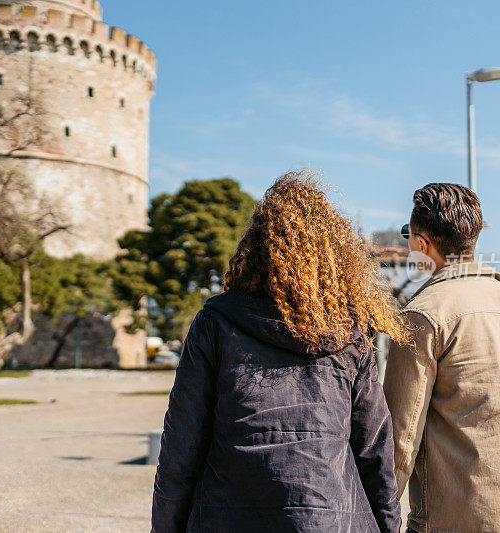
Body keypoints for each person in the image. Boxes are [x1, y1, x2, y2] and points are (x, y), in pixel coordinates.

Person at [151, 171, 408, 532]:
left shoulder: (216, 323)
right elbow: (374, 451)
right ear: (334, 257)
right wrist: (389, 526)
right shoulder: (350, 336)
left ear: (256, 249)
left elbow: (182, 444)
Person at [384, 183, 500, 533]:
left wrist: (378, 511)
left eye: (408, 237)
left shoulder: (422, 316)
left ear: (422, 244)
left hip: (452, 520)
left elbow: (400, 440)